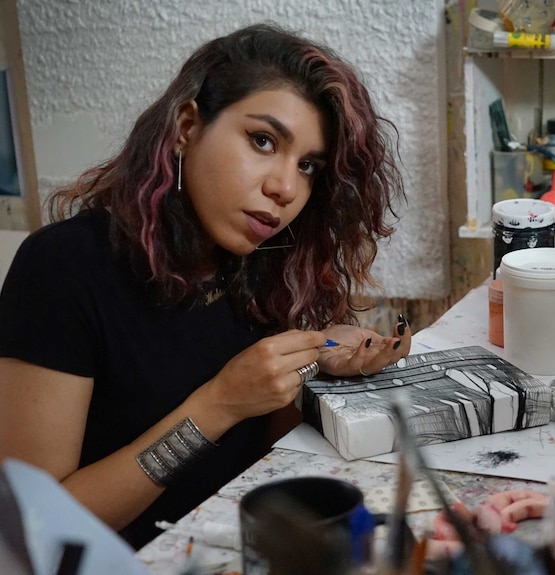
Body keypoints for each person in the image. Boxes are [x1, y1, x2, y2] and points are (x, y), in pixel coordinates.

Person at [0, 22, 412, 549]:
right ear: (187, 126)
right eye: (263, 141)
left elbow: (253, 455)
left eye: (309, 166)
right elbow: (37, 529)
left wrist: (314, 366)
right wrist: (218, 404)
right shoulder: (64, 267)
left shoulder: (259, 262)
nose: (285, 187)